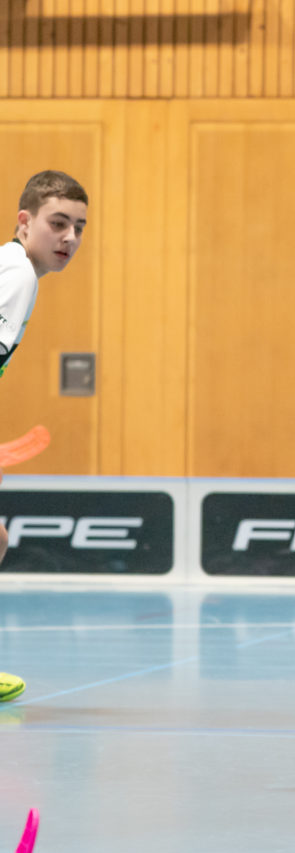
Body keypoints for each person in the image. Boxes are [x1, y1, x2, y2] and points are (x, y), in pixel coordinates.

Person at [0, 170, 90, 703]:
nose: (70, 239)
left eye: (79, 227)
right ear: (25, 221)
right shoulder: (18, 276)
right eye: (58, 224)